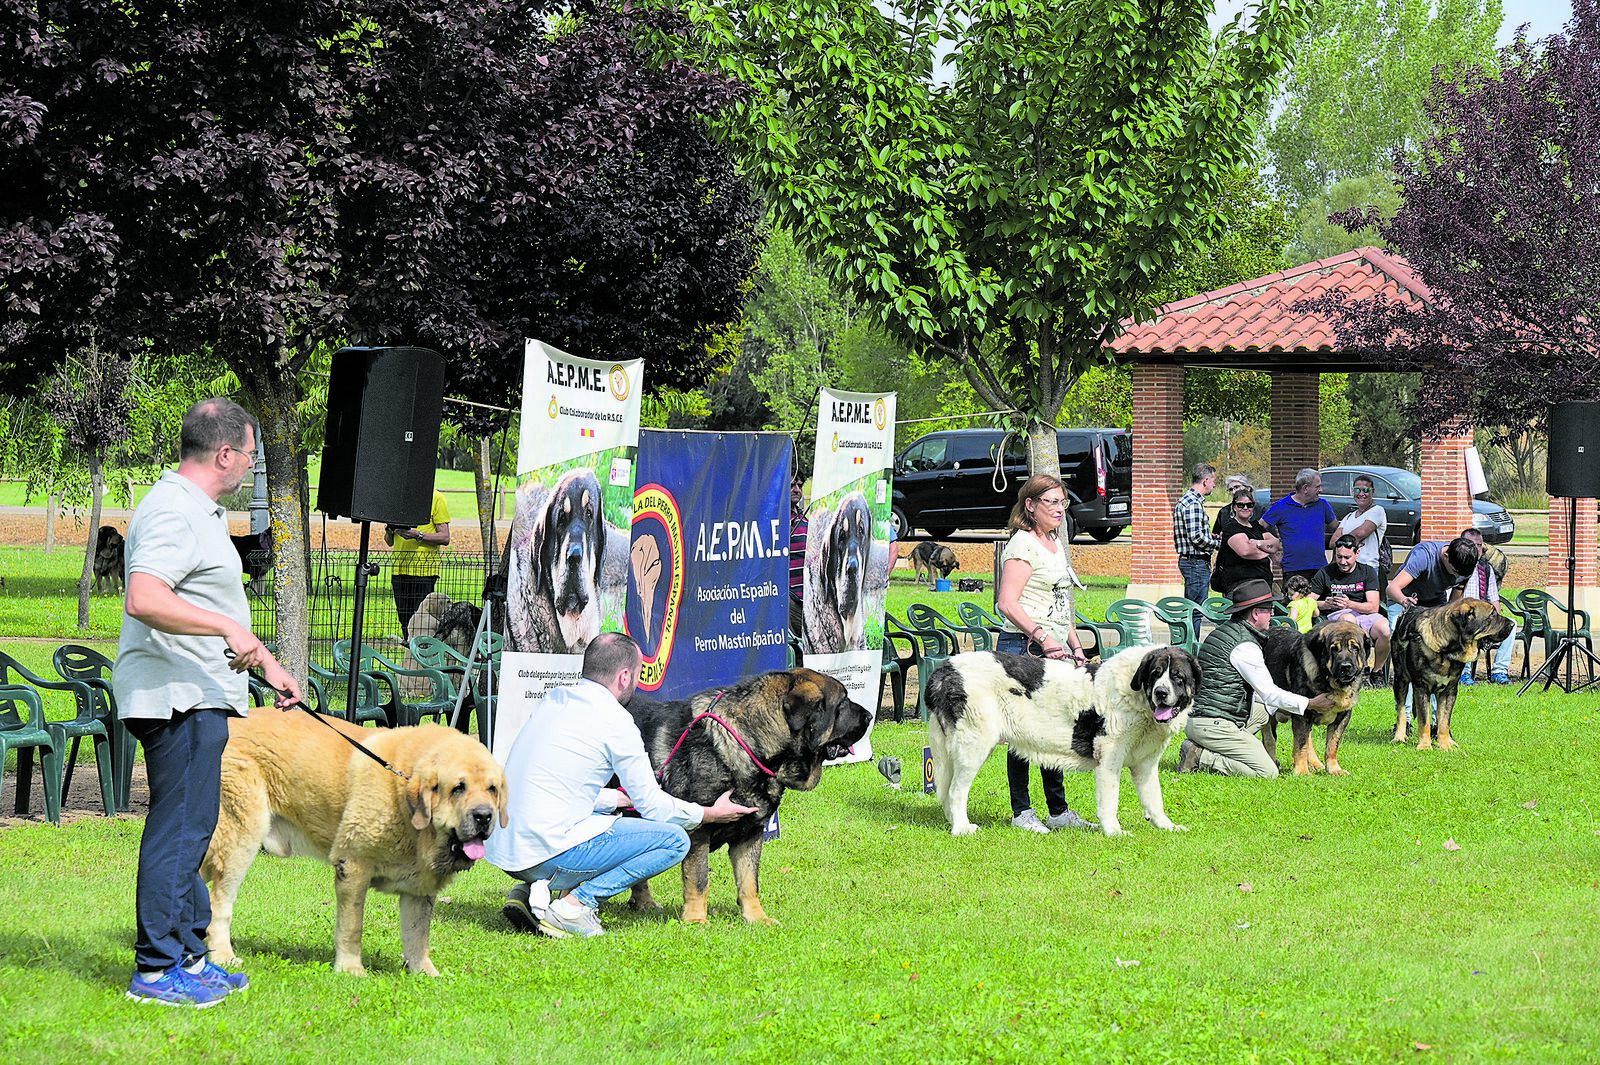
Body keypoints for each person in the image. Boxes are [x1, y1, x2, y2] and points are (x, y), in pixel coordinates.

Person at [117, 397, 302, 1007]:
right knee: (181, 830)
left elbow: (206, 606)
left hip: (199, 692)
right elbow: (143, 596)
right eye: (251, 453)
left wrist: (264, 661)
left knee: (195, 829)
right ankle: (156, 969)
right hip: (176, 698)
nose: (252, 465)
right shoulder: (173, 510)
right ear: (224, 453)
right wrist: (228, 631)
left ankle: (191, 956)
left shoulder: (200, 512)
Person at [488, 632, 757, 938]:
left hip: (505, 852)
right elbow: (653, 807)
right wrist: (708, 814)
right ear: (625, 675)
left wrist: (614, 799)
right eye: (639, 675)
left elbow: (553, 787)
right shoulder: (615, 720)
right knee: (675, 841)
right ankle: (575, 906)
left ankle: (528, 892)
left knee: (600, 822)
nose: (639, 684)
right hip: (542, 855)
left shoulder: (554, 700)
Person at [993, 474, 1096, 833]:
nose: (1058, 509)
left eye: (1062, 502)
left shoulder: (1055, 543)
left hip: (1053, 653)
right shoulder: (1022, 544)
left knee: (1051, 731)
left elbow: (1060, 604)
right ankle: (1022, 812)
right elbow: (1006, 602)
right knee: (1020, 733)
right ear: (1030, 506)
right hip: (1022, 649)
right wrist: (1040, 636)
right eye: (1050, 502)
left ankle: (1058, 811)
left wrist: (1074, 646)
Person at [1176, 579, 1334, 778]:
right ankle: (1200, 757)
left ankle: (1210, 746)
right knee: (1267, 771)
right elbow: (1269, 693)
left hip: (1201, 717)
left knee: (1263, 710)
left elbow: (1263, 700)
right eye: (1269, 609)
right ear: (1255, 613)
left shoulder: (1226, 632)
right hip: (1213, 723)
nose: (1273, 614)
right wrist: (1310, 703)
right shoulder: (1245, 647)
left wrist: (1288, 705)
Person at [1310, 534, 1392, 676]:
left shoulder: (1367, 572)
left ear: (1357, 554)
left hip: (1365, 614)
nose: (1343, 562)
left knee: (1385, 628)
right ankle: (1361, 669)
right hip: (1338, 616)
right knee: (1348, 620)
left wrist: (1349, 603)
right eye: (1339, 557)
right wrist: (1326, 604)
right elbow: (1308, 602)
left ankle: (1377, 672)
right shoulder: (1325, 573)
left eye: (1347, 557)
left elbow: (1373, 606)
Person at [385, 487, 451, 634]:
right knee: (405, 622)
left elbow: (445, 537)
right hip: (399, 570)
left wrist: (417, 535)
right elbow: (389, 542)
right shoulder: (399, 497)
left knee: (422, 623)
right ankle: (410, 655)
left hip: (424, 571)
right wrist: (390, 530)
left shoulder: (436, 498)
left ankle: (423, 655)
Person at [1457, 527, 1518, 684]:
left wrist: (1497, 620)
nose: (1476, 549)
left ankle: (1500, 671)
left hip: (1484, 617)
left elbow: (1494, 599)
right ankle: (1464, 673)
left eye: (1479, 545)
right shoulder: (1457, 565)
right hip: (1463, 616)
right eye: (1472, 544)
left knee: (1511, 625)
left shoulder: (1486, 568)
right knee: (1468, 624)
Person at [1261, 468, 1339, 586]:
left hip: (1319, 568)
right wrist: (1273, 555)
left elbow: (1338, 530)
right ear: (1305, 488)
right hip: (1293, 570)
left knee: (1320, 604)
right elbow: (1258, 529)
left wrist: (1334, 559)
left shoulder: (1323, 505)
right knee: (1294, 604)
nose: (1321, 490)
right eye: (1317, 487)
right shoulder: (1281, 507)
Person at [1172, 464, 1221, 625]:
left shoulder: (1187, 500)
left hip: (1191, 561)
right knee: (1195, 612)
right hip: (1196, 563)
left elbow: (1194, 534)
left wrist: (1210, 535)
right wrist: (1219, 544)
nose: (1214, 484)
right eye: (1213, 481)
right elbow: (1196, 538)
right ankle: (1189, 648)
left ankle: (1184, 646)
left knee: (1191, 610)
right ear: (1205, 481)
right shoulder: (1193, 503)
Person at [1211, 489, 1280, 596]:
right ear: (1234, 507)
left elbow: (1275, 544)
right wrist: (1266, 550)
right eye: (1240, 505)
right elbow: (1245, 551)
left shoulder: (1257, 526)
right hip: (1239, 586)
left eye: (1249, 505)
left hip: (1264, 583)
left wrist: (1257, 544)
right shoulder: (1230, 527)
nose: (1245, 508)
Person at [1386, 536, 1479, 610]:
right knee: (1393, 628)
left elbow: (1453, 603)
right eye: (1455, 571)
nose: (1458, 577)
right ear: (1446, 556)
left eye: (1462, 575)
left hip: (1435, 603)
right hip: (1402, 599)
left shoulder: (1466, 567)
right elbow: (1392, 588)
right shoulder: (1424, 556)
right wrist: (1403, 601)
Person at [1335, 473, 1388, 575]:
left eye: (1366, 490)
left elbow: (1361, 533)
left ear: (1373, 492)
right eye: (1357, 490)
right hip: (1347, 568)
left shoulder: (1377, 511)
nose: (1361, 493)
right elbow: (1333, 541)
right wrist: (1350, 542)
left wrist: (1342, 541)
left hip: (1368, 569)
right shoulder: (1349, 516)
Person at [788, 473, 807, 646]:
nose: (797, 490)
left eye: (800, 486)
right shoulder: (777, 518)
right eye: (792, 485)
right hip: (789, 595)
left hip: (808, 595)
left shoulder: (806, 518)